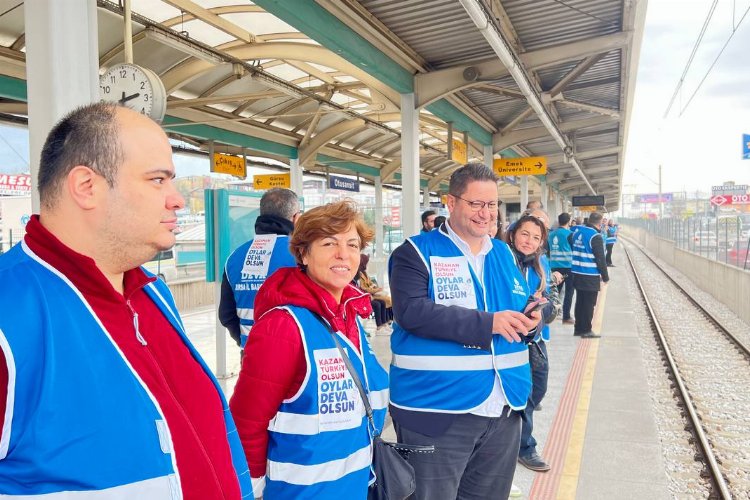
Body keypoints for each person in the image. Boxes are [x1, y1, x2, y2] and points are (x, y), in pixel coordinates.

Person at [0, 103, 251, 498]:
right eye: (157, 180)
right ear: (86, 187)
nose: (176, 200)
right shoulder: (11, 315)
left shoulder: (151, 293)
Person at [388, 163, 541, 500]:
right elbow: (411, 311)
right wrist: (489, 324)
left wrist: (533, 319)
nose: (486, 214)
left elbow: (516, 302)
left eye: (492, 205)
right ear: (451, 202)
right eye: (476, 204)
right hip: (437, 409)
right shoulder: (415, 252)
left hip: (503, 408)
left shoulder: (502, 252)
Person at [229, 200, 389, 499]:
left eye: (352, 244)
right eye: (329, 243)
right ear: (302, 253)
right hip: (300, 491)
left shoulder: (349, 317)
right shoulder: (283, 326)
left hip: (354, 485)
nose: (344, 254)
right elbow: (247, 420)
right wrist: (251, 488)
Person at [510, 210, 560, 474]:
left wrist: (542, 315)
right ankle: (524, 447)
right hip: (511, 341)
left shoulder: (540, 264)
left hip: (536, 340)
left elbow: (549, 300)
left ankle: (517, 441)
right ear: (513, 234)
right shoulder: (504, 260)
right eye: (524, 234)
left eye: (535, 237)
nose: (528, 241)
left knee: (538, 390)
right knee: (526, 396)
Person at [219, 188, 299, 351]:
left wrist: (246, 342)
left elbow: (226, 315)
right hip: (295, 355)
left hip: (251, 353)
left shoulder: (235, 257)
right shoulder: (303, 254)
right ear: (296, 218)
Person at [571, 212, 609, 338]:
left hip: (576, 272)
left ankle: (578, 329)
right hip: (589, 274)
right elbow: (600, 259)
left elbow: (569, 239)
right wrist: (605, 277)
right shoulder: (595, 236)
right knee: (589, 304)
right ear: (600, 222)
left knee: (580, 302)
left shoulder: (577, 232)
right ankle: (586, 330)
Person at [355, 253, 393, 333]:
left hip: (370, 295)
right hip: (365, 297)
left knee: (382, 302)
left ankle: (384, 324)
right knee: (378, 304)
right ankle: (380, 325)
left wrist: (374, 287)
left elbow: (370, 283)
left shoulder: (364, 272)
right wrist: (375, 290)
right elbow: (363, 288)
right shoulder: (358, 274)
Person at [549, 212, 575, 324]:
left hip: (554, 267)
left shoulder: (551, 234)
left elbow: (547, 250)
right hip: (568, 267)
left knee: (554, 292)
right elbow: (574, 250)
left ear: (559, 221)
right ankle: (566, 317)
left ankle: (550, 314)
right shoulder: (570, 234)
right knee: (569, 291)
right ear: (569, 221)